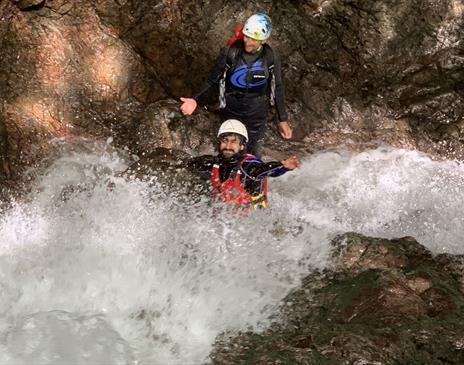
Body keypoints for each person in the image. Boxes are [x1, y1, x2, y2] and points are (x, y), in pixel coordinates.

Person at [180, 13, 292, 159]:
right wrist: (195, 100)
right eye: (246, 35)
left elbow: (277, 87)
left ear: (264, 40)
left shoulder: (270, 57)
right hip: (231, 109)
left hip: (257, 112)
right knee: (228, 151)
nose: (247, 41)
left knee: (252, 155)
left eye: (253, 38)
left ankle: (251, 179)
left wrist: (282, 119)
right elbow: (212, 80)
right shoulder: (231, 53)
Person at [186, 119, 300, 210]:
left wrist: (283, 166)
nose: (228, 146)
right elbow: (186, 164)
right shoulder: (211, 163)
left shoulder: (248, 166)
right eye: (225, 140)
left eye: (234, 141)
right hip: (222, 217)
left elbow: (265, 170)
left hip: (250, 221)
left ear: (241, 146)